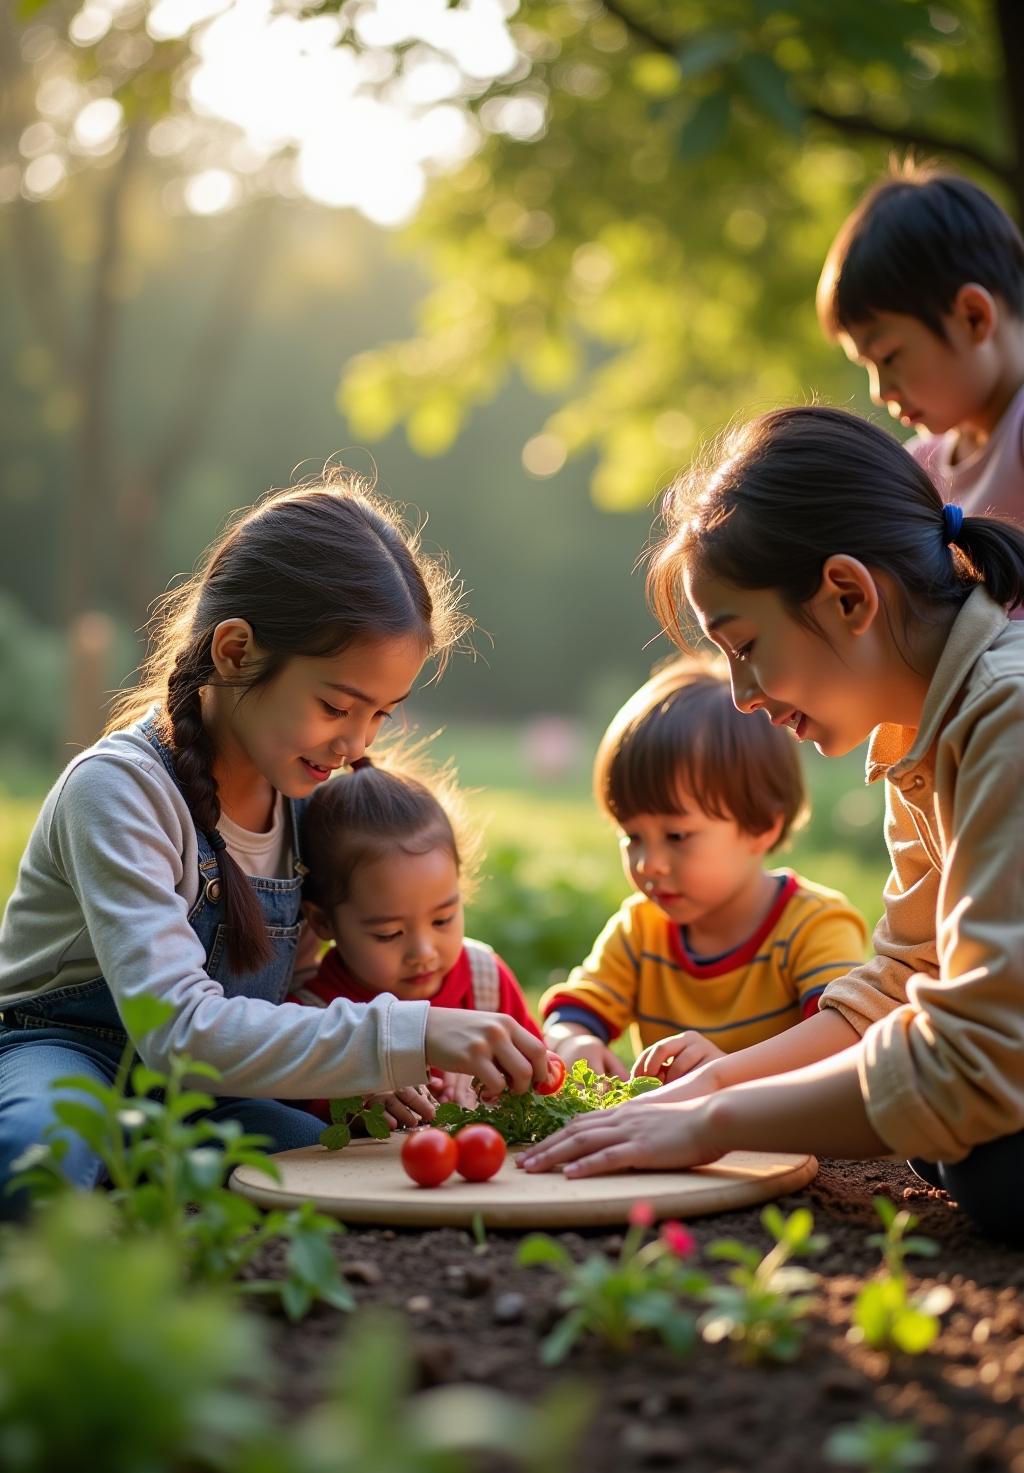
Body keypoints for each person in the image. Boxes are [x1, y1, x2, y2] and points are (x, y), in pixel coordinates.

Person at [520, 406, 1024, 1246]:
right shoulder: (920, 730)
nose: (742, 692)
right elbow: (901, 981)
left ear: (849, 594)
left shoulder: (1005, 715)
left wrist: (716, 1125)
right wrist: (692, 1097)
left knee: (987, 1158)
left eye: (744, 643)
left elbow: (979, 1057)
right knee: (951, 1143)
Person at [0, 473, 548, 1217]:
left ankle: (142, 1182)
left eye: (381, 715)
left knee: (335, 1171)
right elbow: (177, 1029)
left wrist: (367, 1072)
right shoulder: (121, 790)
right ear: (234, 651)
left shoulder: (312, 801)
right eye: (335, 705)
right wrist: (411, 1033)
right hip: (62, 1052)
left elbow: (301, 989)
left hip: (203, 1091)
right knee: (40, 1152)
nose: (356, 744)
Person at [540, 657, 867, 1080]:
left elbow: (844, 1044)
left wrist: (728, 1072)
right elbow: (572, 1012)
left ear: (761, 827)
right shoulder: (641, 931)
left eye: (677, 836)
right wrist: (574, 1040)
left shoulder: (813, 926)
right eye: (632, 836)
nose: (648, 863)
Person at [290, 750, 543, 1127]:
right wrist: (352, 1103)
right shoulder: (312, 1020)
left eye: (443, 920)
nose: (423, 953)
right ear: (323, 921)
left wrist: (502, 1081)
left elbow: (543, 1075)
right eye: (389, 933)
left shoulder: (484, 981)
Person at [818, 162, 1024, 528]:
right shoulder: (919, 469)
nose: (879, 392)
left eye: (889, 356)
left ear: (973, 317)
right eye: (866, 365)